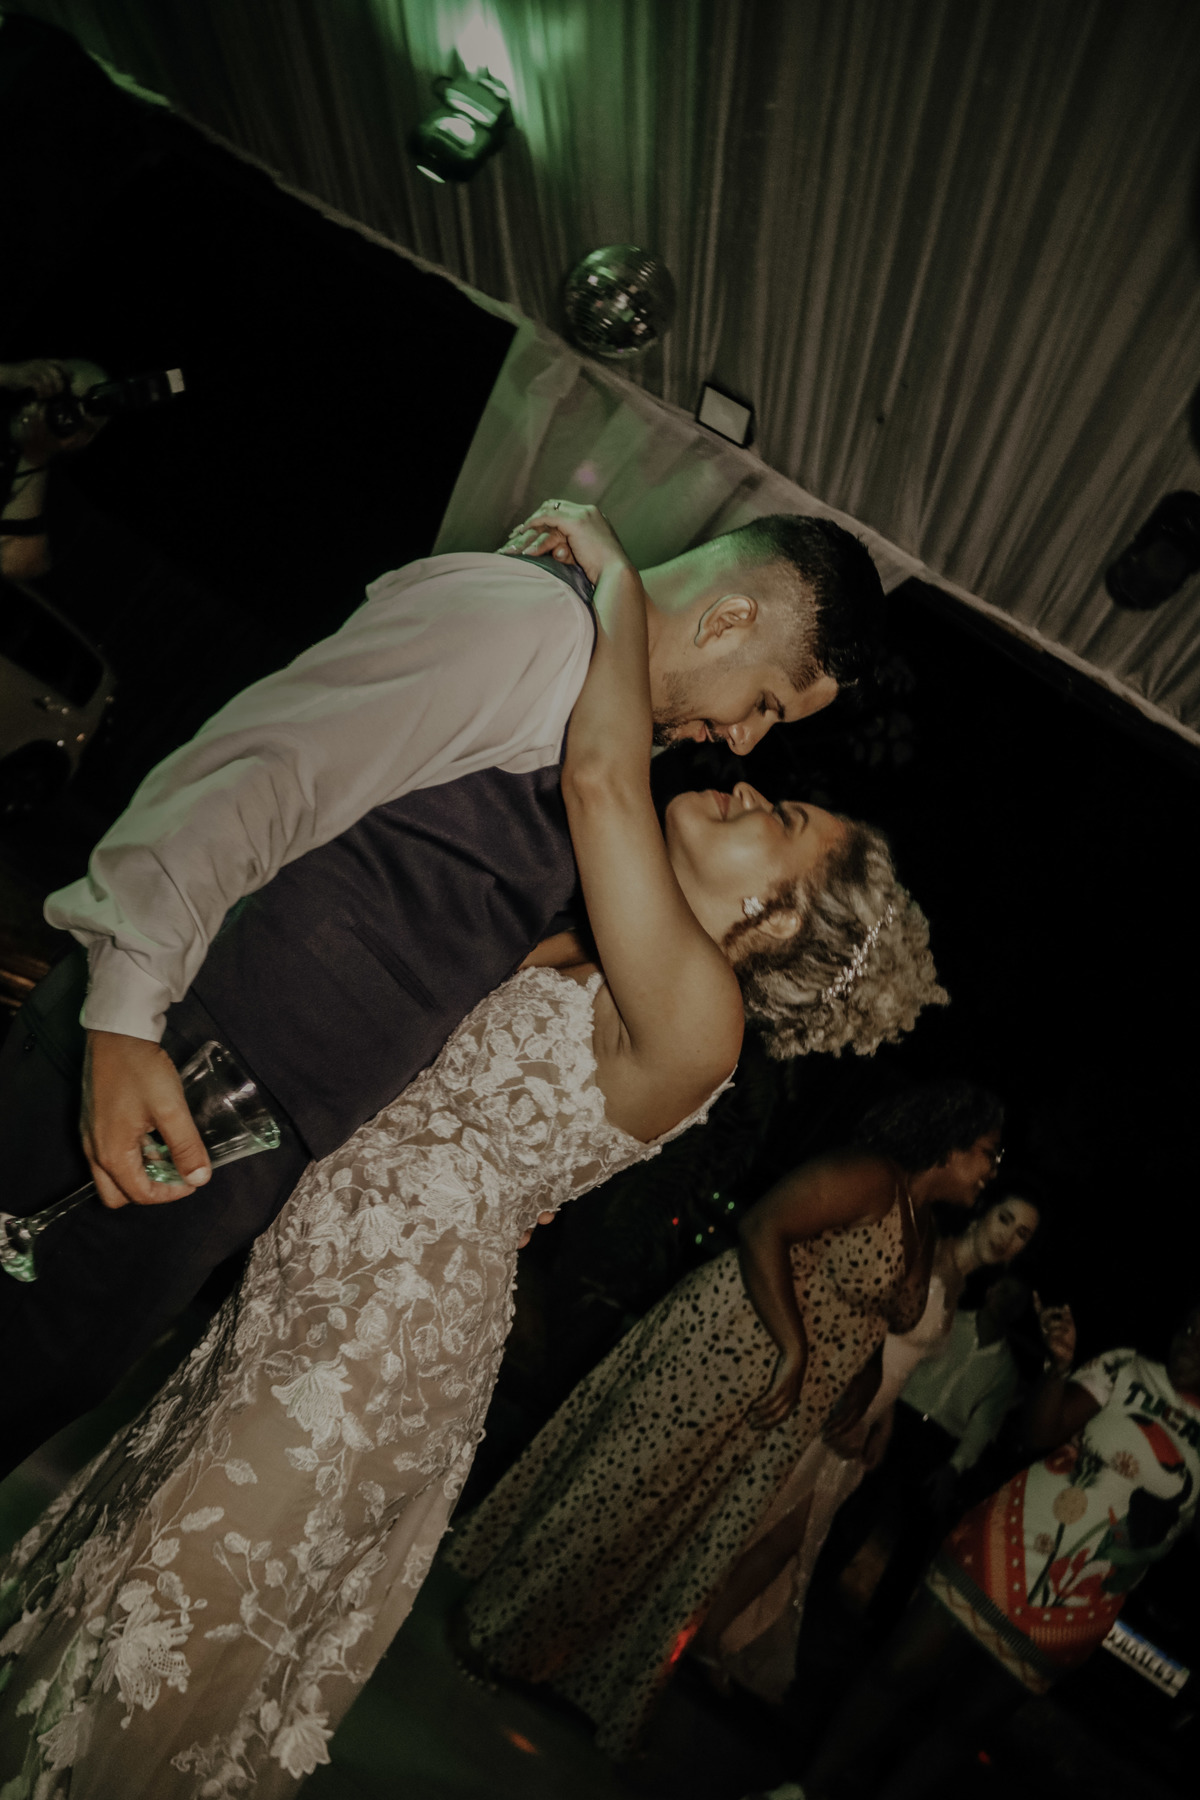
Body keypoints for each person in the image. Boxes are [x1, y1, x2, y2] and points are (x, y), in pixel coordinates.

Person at [0, 504, 939, 1799]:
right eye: (767, 716)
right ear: (732, 620)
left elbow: (591, 792)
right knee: (109, 1520)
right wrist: (126, 1004)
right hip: (247, 1194)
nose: (743, 750)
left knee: (166, 1608)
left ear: (772, 922)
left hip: (368, 1336)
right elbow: (285, 783)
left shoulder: (695, 1007)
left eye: (768, 780)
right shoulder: (572, 811)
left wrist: (616, 583)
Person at [445, 1081, 1006, 1759]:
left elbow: (875, 1317)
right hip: (734, 1350)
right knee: (626, 1492)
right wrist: (794, 1348)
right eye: (987, 1152)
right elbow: (763, 1226)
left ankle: (568, 1664)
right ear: (949, 1141)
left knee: (686, 1533)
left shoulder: (924, 1225)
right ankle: (490, 1628)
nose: (991, 1170)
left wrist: (858, 1386)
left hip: (787, 1399)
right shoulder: (868, 1177)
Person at [784, 1300, 1200, 1800]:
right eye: (1188, 1327)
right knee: (898, 1668)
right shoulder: (1126, 1367)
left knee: (964, 1726)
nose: (1188, 1343)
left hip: (1076, 1602)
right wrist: (1058, 1370)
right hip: (1004, 1544)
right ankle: (804, 1790)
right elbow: (1039, 1432)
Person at [704, 1192, 1044, 1703]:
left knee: (794, 1533)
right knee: (773, 1520)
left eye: (1021, 1234)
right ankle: (698, 1628)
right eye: (1004, 1218)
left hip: (872, 1414)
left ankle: (708, 1632)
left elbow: (906, 1359)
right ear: (982, 1212)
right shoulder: (930, 1251)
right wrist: (853, 1399)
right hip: (841, 1401)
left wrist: (882, 1419)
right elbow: (868, 1325)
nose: (1007, 1236)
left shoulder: (959, 1284)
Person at [0, 357, 107, 578]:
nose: (63, 417)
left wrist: (35, 456)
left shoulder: (62, 499)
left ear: (86, 438)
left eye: (79, 421)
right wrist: (8, 375)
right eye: (64, 400)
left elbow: (16, 563)